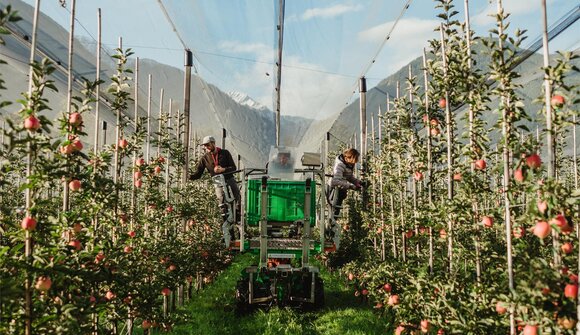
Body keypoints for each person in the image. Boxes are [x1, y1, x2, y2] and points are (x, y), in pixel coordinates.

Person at [190, 135, 241, 222]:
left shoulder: (225, 153)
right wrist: (190, 177)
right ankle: (225, 220)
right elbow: (199, 172)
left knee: (236, 195)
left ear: (213, 143)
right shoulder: (205, 158)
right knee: (221, 200)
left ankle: (238, 216)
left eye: (208, 145)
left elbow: (233, 168)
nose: (207, 147)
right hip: (217, 181)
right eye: (205, 146)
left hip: (228, 178)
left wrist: (223, 169)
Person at [327, 148, 361, 218]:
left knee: (336, 211)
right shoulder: (340, 165)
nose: (354, 163)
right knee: (334, 212)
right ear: (347, 157)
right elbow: (335, 181)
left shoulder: (349, 164)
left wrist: (358, 182)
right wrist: (351, 186)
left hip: (340, 189)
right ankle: (330, 226)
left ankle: (332, 224)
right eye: (353, 160)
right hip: (334, 190)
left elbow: (349, 177)